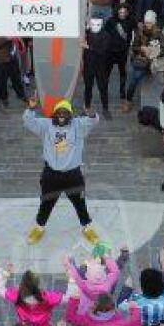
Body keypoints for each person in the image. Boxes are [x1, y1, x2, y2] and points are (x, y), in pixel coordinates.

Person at [23, 97, 100, 245]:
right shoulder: (46, 125)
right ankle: (39, 227)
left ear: (70, 115)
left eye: (65, 114)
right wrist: (31, 108)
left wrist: (91, 114)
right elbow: (29, 122)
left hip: (73, 175)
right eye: (59, 113)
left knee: (80, 203)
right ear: (54, 114)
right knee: (46, 203)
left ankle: (87, 227)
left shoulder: (78, 125)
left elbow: (93, 121)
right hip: (51, 174)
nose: (62, 117)